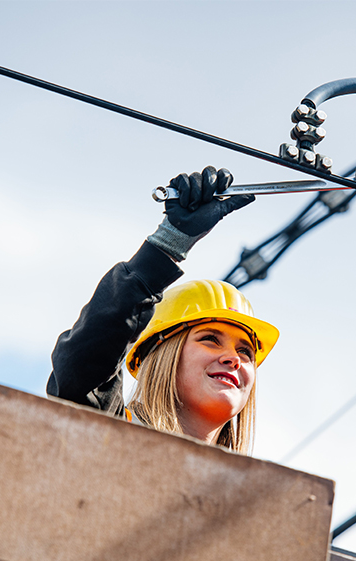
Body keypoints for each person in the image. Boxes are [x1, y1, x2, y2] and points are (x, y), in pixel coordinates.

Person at [46, 166, 278, 454]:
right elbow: (84, 362)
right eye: (210, 339)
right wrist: (170, 241)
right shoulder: (110, 435)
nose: (233, 359)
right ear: (162, 354)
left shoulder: (247, 482)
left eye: (245, 352)